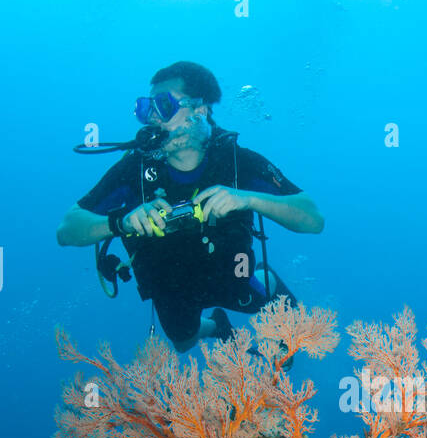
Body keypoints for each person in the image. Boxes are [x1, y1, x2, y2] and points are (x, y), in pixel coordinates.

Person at [57, 61, 323, 351]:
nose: (154, 119)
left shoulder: (235, 161)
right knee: (182, 340)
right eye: (146, 109)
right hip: (170, 283)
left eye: (163, 105)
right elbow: (67, 229)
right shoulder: (134, 169)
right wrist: (121, 221)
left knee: (253, 298)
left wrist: (247, 198)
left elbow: (312, 218)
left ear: (200, 109)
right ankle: (217, 326)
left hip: (232, 271)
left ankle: (265, 277)